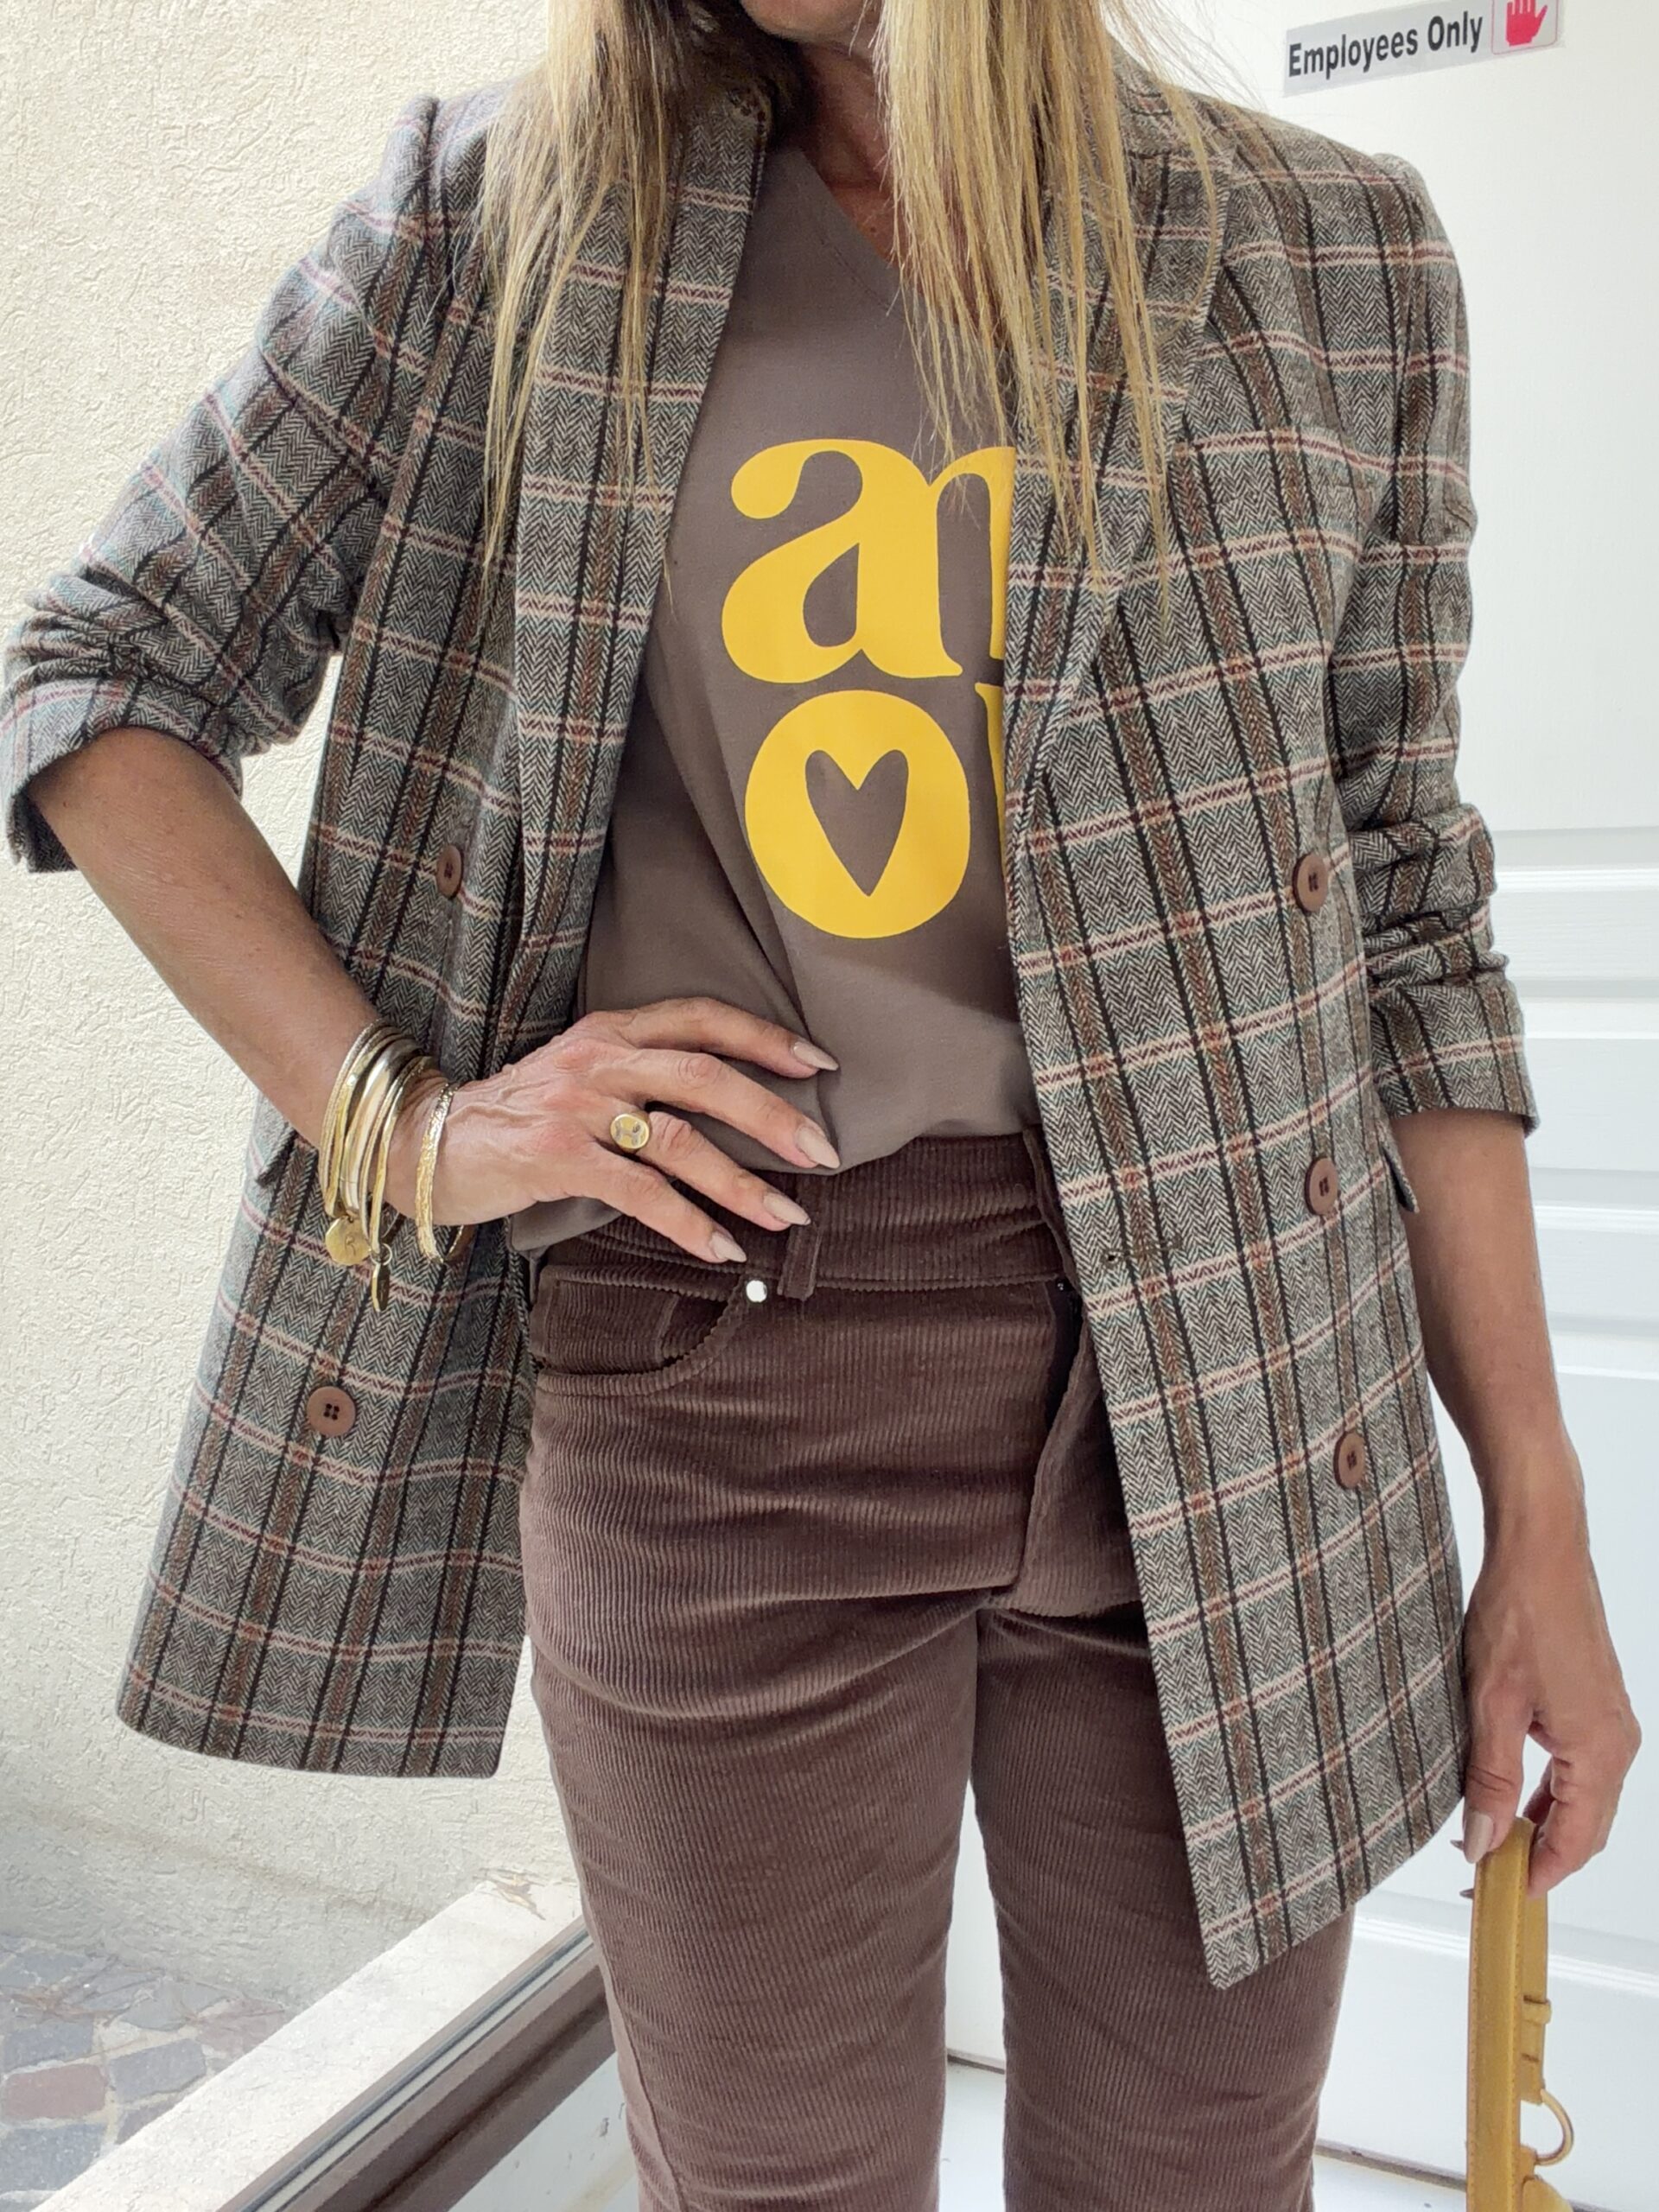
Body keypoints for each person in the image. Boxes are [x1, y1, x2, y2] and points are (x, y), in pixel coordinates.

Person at [1, 3, 1638, 2207]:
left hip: (1247, 1379)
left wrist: (1537, 1501)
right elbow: (104, 675)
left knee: (1195, 2172)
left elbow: (1407, 913)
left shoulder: (1331, 250)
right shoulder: (496, 224)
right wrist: (410, 1125)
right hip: (721, 1373)